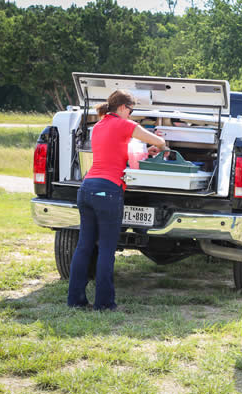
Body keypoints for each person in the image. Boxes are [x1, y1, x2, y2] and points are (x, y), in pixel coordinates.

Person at [67, 89, 167, 311]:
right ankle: (104, 304)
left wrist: (144, 152)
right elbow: (158, 140)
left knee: (84, 246)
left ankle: (75, 300)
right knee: (106, 248)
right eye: (130, 111)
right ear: (123, 107)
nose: (131, 115)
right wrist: (160, 143)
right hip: (108, 190)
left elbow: (116, 153)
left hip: (86, 188)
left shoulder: (99, 125)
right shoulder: (124, 124)